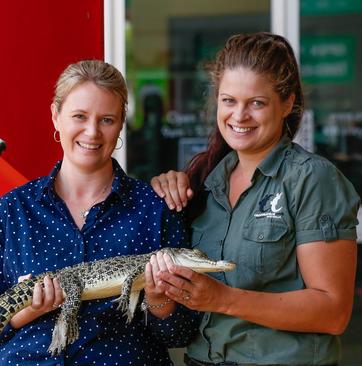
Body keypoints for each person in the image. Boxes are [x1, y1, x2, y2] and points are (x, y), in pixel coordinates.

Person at [0, 60, 200, 365]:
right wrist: (28, 310)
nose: (92, 132)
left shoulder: (155, 209)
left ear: (121, 123)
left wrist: (159, 300)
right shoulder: (11, 211)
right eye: (79, 116)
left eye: (106, 120)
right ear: (56, 116)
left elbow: (183, 332)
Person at [149, 32, 360, 365]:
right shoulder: (206, 181)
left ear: (287, 103)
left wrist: (224, 299)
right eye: (229, 100)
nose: (239, 115)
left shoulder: (311, 179)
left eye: (257, 103)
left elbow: (333, 311)